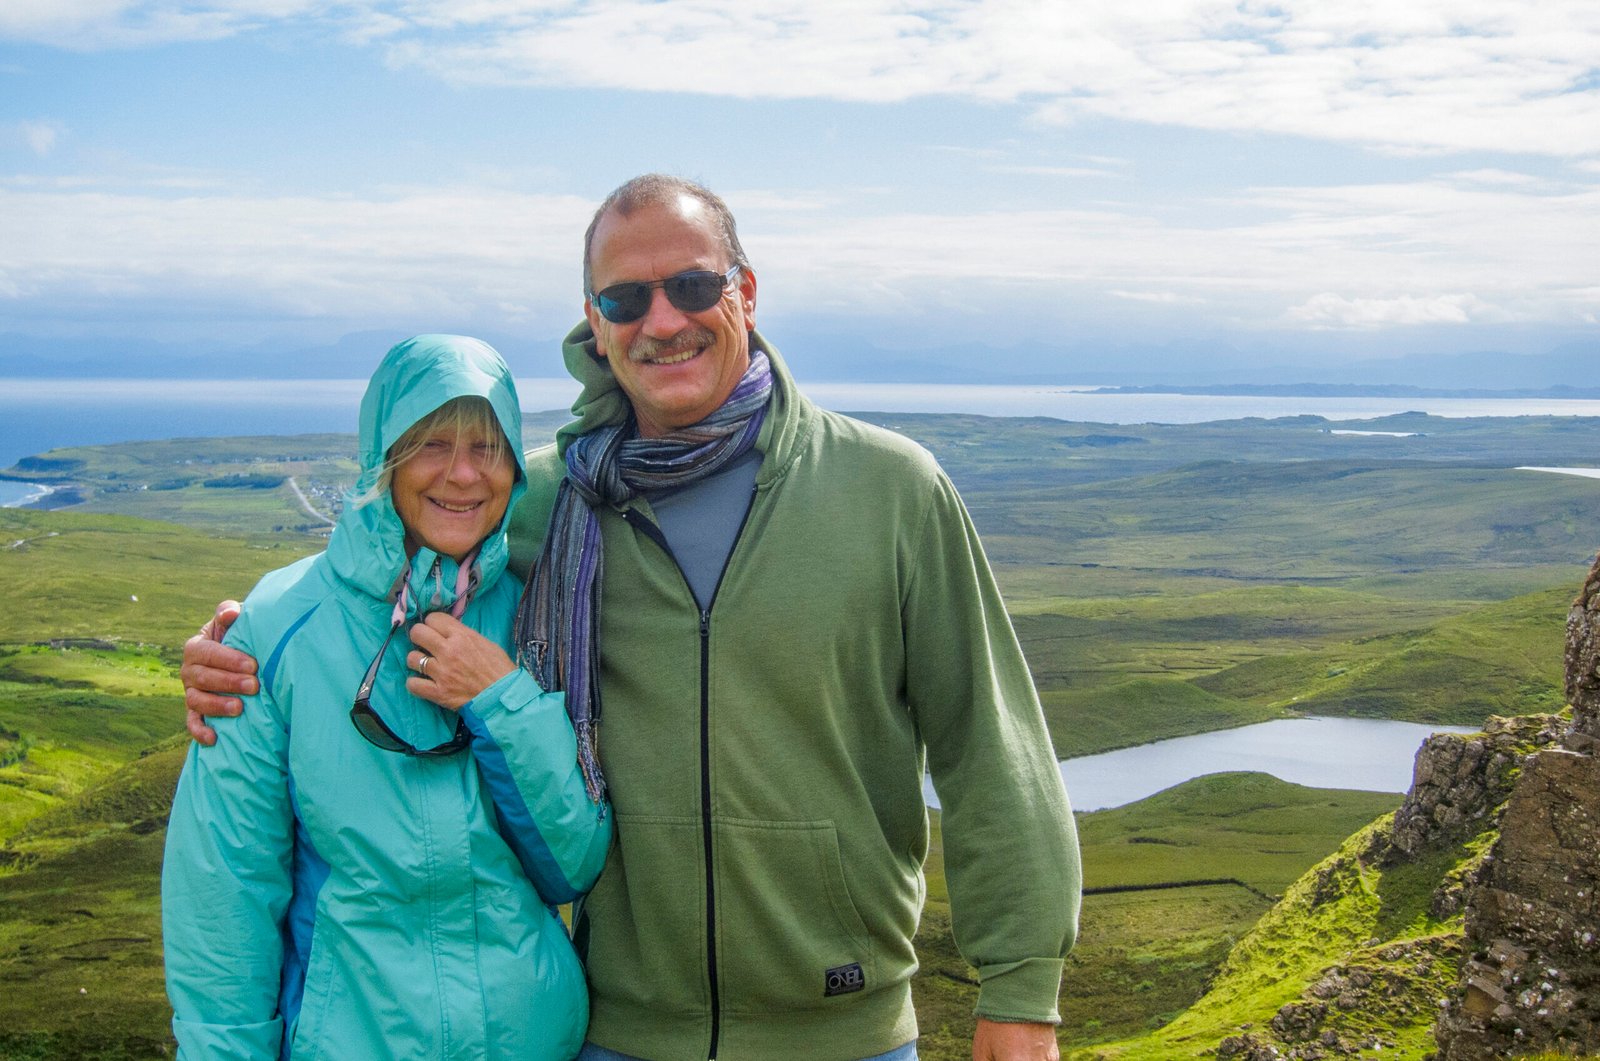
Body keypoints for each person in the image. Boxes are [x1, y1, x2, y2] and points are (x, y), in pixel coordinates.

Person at [182, 176, 1082, 1061]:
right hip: (618, 1033)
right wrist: (237, 644)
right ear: (595, 321)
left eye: (692, 285)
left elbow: (989, 745)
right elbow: (386, 565)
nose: (662, 320)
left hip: (845, 1029)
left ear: (747, 293)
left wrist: (1023, 988)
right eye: (626, 296)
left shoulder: (890, 489)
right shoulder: (540, 500)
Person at [163, 334, 612, 1060]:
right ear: (385, 457)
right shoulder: (278, 628)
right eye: (432, 443)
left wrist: (499, 698)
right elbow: (225, 890)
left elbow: (572, 861)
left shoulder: (536, 614)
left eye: (489, 447)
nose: (463, 475)